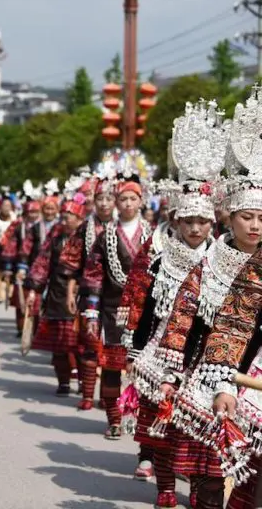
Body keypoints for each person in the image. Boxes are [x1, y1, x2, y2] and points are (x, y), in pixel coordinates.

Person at [122, 101, 224, 506]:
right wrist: (133, 349)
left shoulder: (220, 260)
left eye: (202, 223)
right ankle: (165, 486)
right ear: (176, 223)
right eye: (188, 222)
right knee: (159, 428)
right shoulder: (160, 256)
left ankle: (199, 491)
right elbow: (144, 306)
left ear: (212, 224)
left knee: (199, 431)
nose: (195, 229)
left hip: (204, 352)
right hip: (161, 350)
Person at [165, 91, 262, 509]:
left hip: (256, 377)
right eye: (248, 216)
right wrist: (173, 372)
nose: (256, 225)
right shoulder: (212, 264)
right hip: (218, 370)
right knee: (209, 473)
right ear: (229, 216)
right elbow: (196, 319)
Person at [78, 150, 153, 439]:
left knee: (142, 369)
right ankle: (113, 419)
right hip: (111, 309)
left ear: (141, 201)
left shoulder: (152, 234)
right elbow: (94, 273)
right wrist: (92, 310)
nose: (128, 203)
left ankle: (139, 421)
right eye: (123, 198)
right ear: (116, 202)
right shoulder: (106, 234)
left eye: (133, 198)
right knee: (111, 367)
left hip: (145, 309)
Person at [58, 170, 115, 409]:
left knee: (113, 348)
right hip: (89, 292)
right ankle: (87, 395)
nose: (103, 203)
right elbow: (71, 265)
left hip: (116, 295)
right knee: (89, 342)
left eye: (109, 198)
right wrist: (71, 293)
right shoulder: (85, 228)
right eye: (99, 198)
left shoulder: (125, 228)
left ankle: (108, 397)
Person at [26, 184, 87, 396]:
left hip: (81, 295)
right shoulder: (56, 237)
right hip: (55, 295)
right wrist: (34, 288)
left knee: (79, 345)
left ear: (80, 218)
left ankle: (83, 380)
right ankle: (63, 382)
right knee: (59, 346)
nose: (66, 218)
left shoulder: (88, 238)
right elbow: (42, 263)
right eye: (65, 214)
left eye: (71, 214)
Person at [1, 182, 43, 336]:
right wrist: (8, 267)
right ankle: (21, 327)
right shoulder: (19, 226)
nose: (33, 215)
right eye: (30, 212)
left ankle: (36, 329)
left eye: (36, 212)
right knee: (21, 299)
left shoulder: (45, 227)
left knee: (37, 298)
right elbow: (11, 245)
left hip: (40, 266)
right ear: (25, 212)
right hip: (21, 265)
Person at [0, 196, 14, 303]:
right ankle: (0, 295)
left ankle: (10, 293)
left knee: (10, 272)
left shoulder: (15, 218)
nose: (6, 207)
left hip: (12, 249)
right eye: (5, 205)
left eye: (8, 205)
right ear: (0, 206)